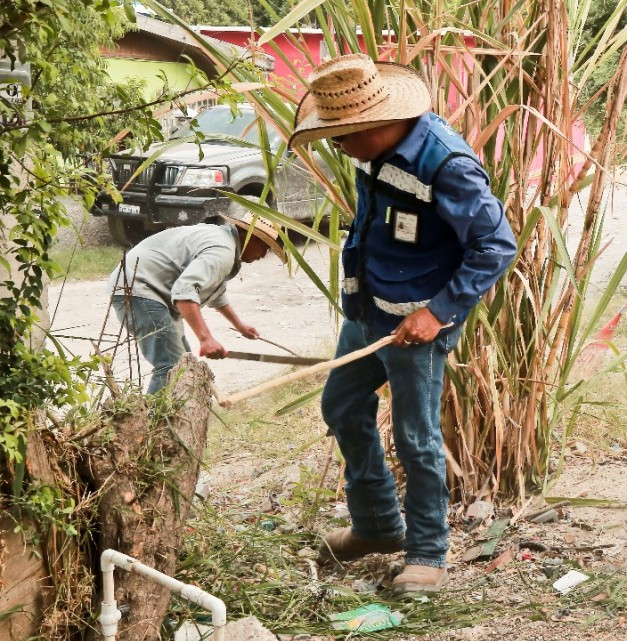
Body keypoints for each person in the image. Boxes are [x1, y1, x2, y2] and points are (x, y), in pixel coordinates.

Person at [288, 54, 517, 594]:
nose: (336, 146)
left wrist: (437, 312)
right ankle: (376, 527)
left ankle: (428, 554)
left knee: (416, 438)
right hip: (370, 311)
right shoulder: (370, 152)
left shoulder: (446, 164)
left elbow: (495, 245)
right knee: (341, 406)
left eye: (341, 136)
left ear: (375, 124)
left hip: (417, 325)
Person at [106, 214, 286, 394]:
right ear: (251, 238)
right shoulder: (222, 251)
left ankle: (174, 418)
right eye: (265, 247)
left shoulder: (222, 241)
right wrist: (205, 339)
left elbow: (215, 290)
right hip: (139, 290)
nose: (263, 255)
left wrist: (239, 325)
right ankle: (154, 422)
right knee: (171, 367)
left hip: (147, 290)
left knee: (185, 362)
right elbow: (184, 293)